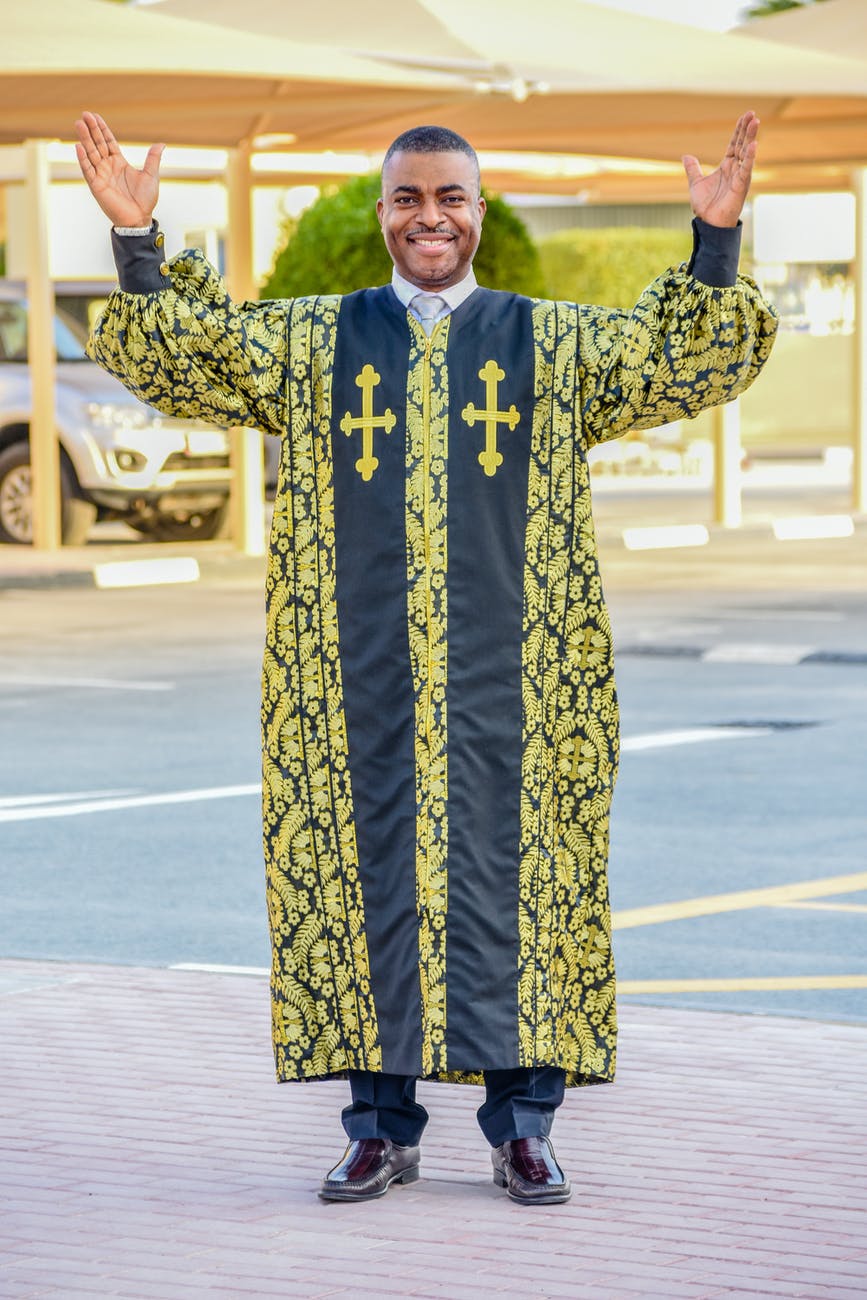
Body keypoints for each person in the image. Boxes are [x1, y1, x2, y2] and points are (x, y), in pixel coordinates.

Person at [75, 109, 777, 1206]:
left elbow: (681, 357)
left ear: (479, 211)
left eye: (451, 196)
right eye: (408, 197)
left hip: (526, 682)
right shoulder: (317, 340)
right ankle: (379, 1125)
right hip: (352, 679)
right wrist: (138, 240)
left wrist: (715, 239)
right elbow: (192, 357)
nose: (430, 215)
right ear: (383, 214)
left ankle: (523, 1126)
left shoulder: (550, 342)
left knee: (524, 882)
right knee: (364, 883)